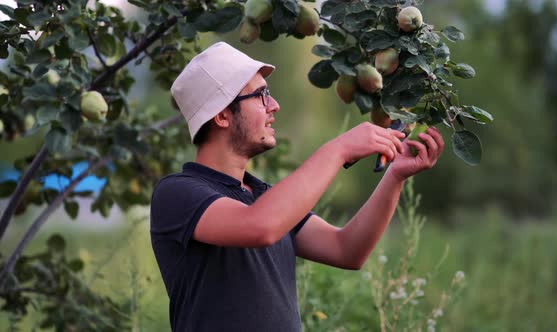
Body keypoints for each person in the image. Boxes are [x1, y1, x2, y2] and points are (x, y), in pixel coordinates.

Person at [150, 42, 444, 332]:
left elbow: (347, 250)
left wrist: (394, 177)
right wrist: (338, 148)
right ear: (222, 115)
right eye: (260, 95)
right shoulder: (177, 194)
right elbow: (260, 227)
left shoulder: (264, 197)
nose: (274, 105)